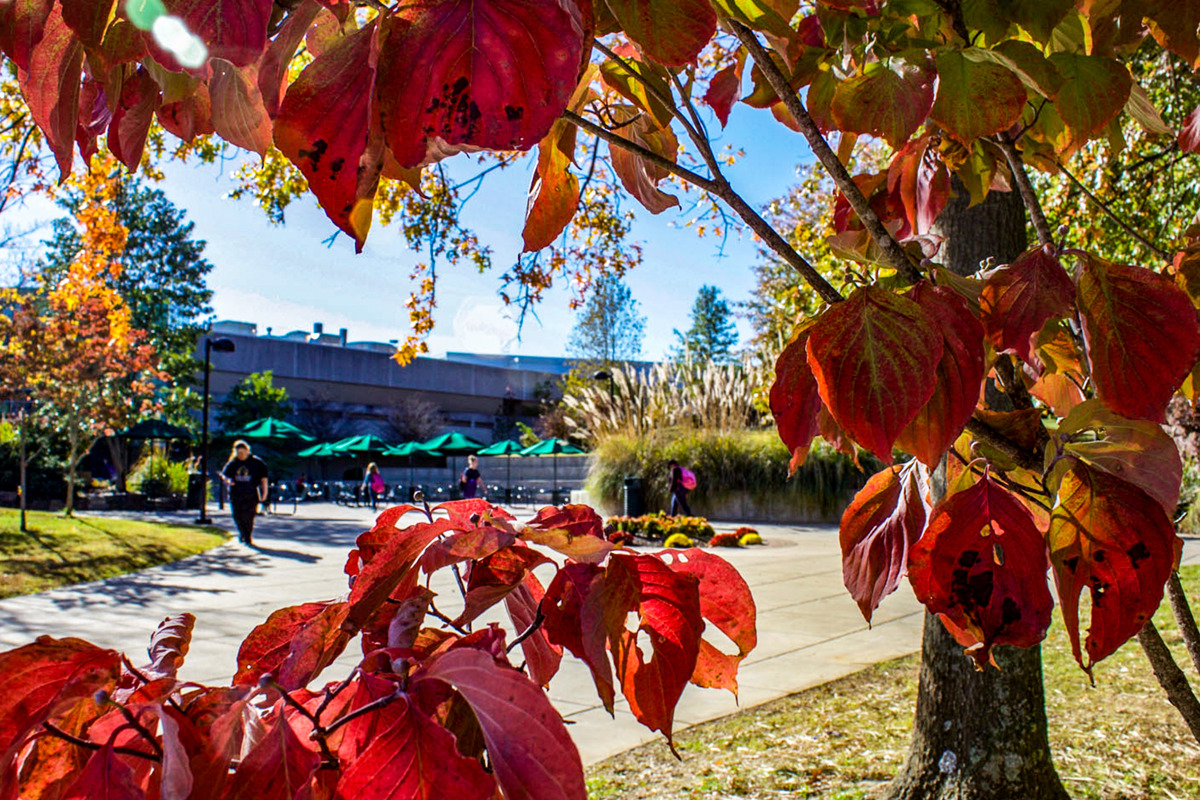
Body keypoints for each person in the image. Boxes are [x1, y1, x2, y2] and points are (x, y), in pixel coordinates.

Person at [221, 440, 268, 545]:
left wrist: (264, 493)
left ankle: (247, 536)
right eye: (238, 453)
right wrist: (228, 481)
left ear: (247, 451)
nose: (240, 455)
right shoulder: (233, 463)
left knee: (249, 516)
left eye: (242, 453)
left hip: (251, 494)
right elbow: (225, 475)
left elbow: (264, 479)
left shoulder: (257, 463)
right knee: (237, 515)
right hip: (236, 493)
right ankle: (242, 532)